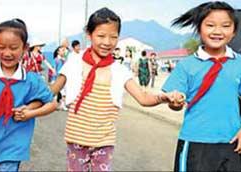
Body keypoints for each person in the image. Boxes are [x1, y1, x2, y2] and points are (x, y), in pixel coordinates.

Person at [50, 7, 185, 171]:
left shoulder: (120, 70)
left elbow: (143, 98)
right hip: (77, 140)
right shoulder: (74, 63)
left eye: (113, 37)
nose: (107, 42)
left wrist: (165, 97)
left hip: (104, 142)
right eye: (101, 36)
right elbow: (52, 90)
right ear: (89, 34)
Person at [163, 1, 241, 171]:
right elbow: (174, 101)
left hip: (231, 142)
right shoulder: (187, 65)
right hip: (196, 142)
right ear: (199, 29)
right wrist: (174, 103)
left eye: (225, 26)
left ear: (234, 31)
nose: (217, 31)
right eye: (210, 25)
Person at [0, 18, 57, 172]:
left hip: (14, 147)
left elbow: (52, 104)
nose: (7, 53)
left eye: (13, 48)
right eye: (1, 47)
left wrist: (30, 113)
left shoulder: (31, 79)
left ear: (25, 48)